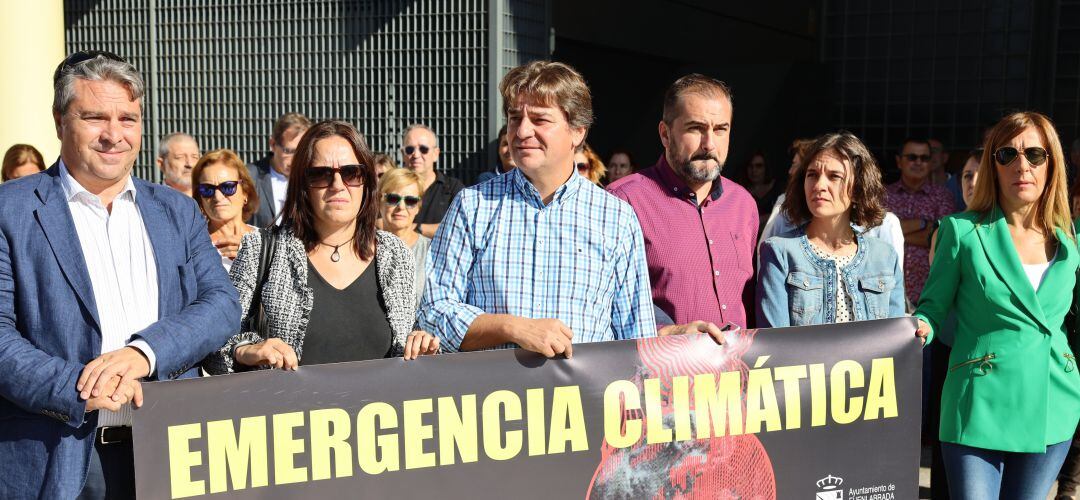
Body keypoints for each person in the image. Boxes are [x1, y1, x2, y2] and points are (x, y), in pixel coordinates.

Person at [0, 50, 240, 499]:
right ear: (59, 121)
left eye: (128, 118)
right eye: (95, 117)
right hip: (62, 453)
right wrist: (77, 386)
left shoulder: (177, 209)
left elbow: (221, 304)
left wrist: (145, 353)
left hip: (173, 452)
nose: (114, 135)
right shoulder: (9, 211)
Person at [418, 60, 661, 356]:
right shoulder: (473, 206)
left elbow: (637, 339)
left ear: (577, 132)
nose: (522, 132)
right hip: (493, 399)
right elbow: (433, 314)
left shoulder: (616, 218)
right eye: (514, 118)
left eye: (540, 120)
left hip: (585, 400)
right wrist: (512, 328)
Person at [914, 111, 1079, 499]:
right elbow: (932, 308)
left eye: (1035, 155)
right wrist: (921, 325)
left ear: (1051, 164)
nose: (1022, 165)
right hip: (979, 404)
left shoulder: (1068, 241)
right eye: (1007, 154)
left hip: (1052, 401)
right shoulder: (962, 232)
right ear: (993, 165)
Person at [205, 120, 439, 375]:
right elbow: (214, 345)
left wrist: (419, 344)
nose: (337, 185)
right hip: (288, 411)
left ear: (367, 182)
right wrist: (246, 351)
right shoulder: (261, 250)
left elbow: (404, 347)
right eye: (321, 174)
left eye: (351, 173)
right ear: (302, 184)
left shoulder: (395, 255)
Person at [607, 73, 757, 330]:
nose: (709, 144)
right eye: (696, 128)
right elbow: (603, 302)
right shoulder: (622, 202)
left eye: (721, 129)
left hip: (737, 367)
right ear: (665, 134)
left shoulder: (743, 205)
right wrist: (668, 332)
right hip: (659, 367)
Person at [756, 132, 904, 327]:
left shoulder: (885, 257)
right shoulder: (779, 252)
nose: (819, 185)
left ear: (858, 189)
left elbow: (895, 339)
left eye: (834, 176)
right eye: (812, 175)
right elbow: (775, 344)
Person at [886, 138, 957, 309]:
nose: (918, 162)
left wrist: (893, 233)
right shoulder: (882, 196)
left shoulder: (943, 196)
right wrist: (924, 224)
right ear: (899, 161)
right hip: (887, 293)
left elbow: (939, 240)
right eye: (912, 157)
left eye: (924, 158)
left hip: (929, 295)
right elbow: (874, 236)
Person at [190, 149, 259, 270]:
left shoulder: (267, 242)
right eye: (207, 189)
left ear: (245, 193)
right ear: (199, 198)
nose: (218, 196)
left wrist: (254, 256)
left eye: (227, 187)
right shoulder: (192, 247)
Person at [247, 112, 311, 228]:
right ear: (272, 144)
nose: (295, 159)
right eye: (288, 151)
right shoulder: (250, 176)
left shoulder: (312, 178)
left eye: (301, 152)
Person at [401, 123, 465, 238]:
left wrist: (416, 228)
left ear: (436, 154)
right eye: (410, 149)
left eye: (423, 149)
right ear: (403, 154)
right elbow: (379, 222)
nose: (416, 155)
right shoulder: (393, 187)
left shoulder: (453, 188)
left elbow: (460, 228)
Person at [378, 167, 429, 305]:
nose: (401, 206)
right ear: (379, 201)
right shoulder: (362, 248)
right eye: (393, 198)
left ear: (418, 207)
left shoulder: (432, 252)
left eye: (410, 201)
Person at [741, 151, 783, 221]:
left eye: (759, 166)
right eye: (750, 166)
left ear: (766, 168)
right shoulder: (742, 193)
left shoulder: (779, 188)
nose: (754, 170)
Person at [155, 132, 200, 196]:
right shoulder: (149, 201)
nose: (190, 164)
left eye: (195, 157)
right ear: (161, 164)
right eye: (180, 157)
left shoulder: (211, 200)